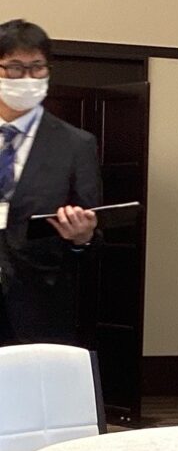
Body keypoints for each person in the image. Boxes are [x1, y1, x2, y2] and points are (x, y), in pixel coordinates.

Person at [0, 19, 101, 346]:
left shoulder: (76, 145)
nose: (27, 78)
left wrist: (82, 239)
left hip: (37, 303)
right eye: (15, 67)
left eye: (37, 67)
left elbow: (93, 236)